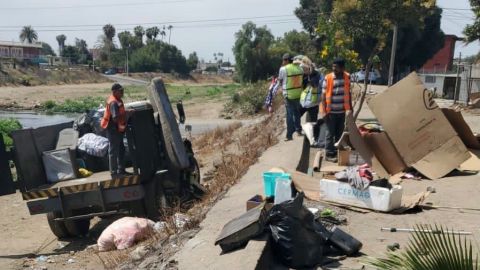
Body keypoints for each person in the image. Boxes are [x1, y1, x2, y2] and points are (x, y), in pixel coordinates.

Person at [320, 58, 352, 162]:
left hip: (342, 112)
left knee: (339, 133)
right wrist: (324, 112)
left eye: (336, 67)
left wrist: (350, 109)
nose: (334, 69)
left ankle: (337, 152)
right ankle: (329, 154)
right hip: (331, 112)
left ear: (343, 68)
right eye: (333, 66)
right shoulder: (328, 78)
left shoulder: (347, 77)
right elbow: (323, 96)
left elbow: (349, 94)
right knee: (330, 133)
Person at [100, 83, 132, 178]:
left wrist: (126, 113)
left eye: (122, 90)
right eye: (120, 91)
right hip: (112, 129)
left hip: (118, 129)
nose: (122, 92)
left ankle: (121, 170)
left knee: (121, 149)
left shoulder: (118, 100)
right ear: (114, 92)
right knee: (113, 151)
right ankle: (114, 173)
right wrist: (127, 114)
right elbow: (115, 118)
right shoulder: (113, 102)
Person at [278, 53, 304, 141]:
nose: (282, 62)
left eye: (283, 60)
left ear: (287, 60)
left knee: (289, 115)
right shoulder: (299, 68)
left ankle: (289, 135)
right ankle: (298, 130)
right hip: (298, 94)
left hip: (288, 95)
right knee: (297, 112)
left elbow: (280, 81)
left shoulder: (283, 69)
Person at [299, 56, 321, 123]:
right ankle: (298, 131)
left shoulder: (316, 74)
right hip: (304, 102)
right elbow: (302, 86)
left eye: (305, 69)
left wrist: (309, 77)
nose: (304, 71)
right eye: (303, 69)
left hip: (313, 103)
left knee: (313, 123)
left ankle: (313, 132)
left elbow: (315, 85)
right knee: (296, 117)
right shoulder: (305, 75)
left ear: (309, 67)